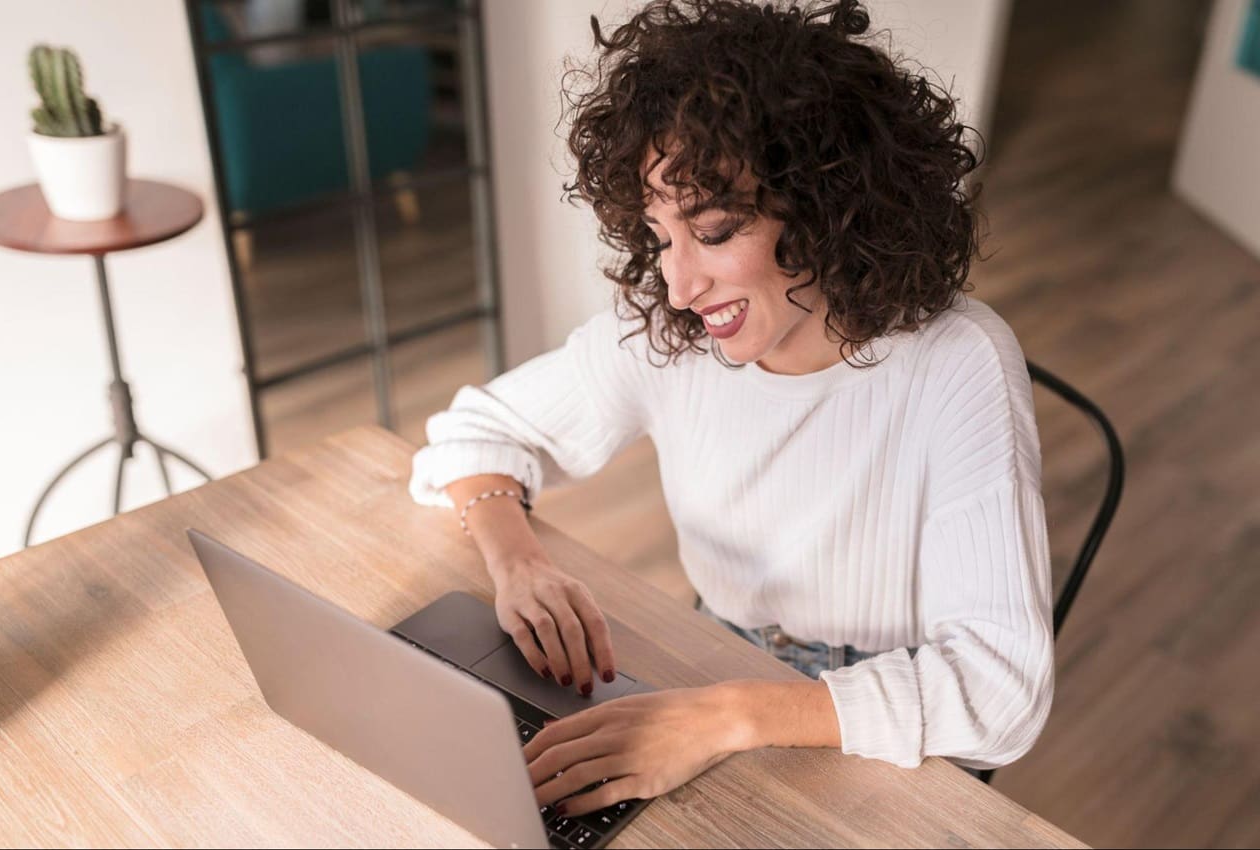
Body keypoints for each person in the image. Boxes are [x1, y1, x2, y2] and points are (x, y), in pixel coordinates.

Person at [408, 0, 1053, 817]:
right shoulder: (672, 332)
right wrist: (517, 560)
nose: (679, 284)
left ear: (829, 207)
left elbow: (1003, 692)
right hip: (708, 655)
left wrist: (727, 715)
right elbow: (475, 433)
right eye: (659, 234)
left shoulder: (956, 363)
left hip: (876, 718)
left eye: (713, 231)